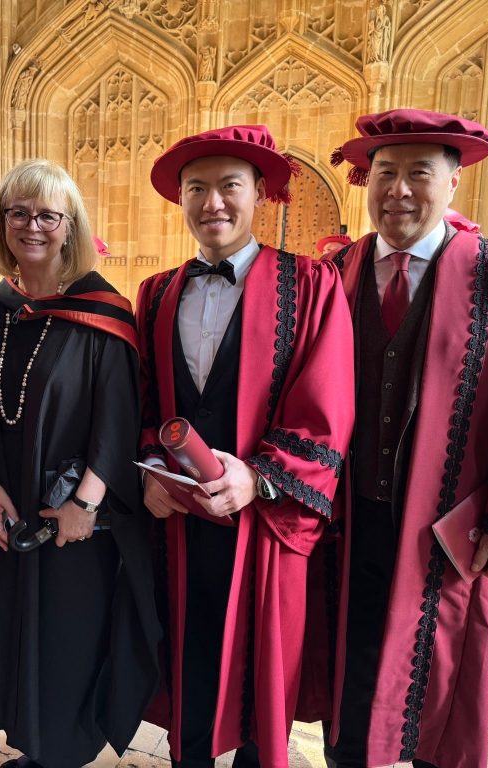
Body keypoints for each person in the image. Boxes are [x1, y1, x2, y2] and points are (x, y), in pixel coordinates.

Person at [327, 108, 488, 768]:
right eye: (384, 173)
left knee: (442, 667)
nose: (398, 190)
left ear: (454, 181)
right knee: (351, 663)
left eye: (419, 174)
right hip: (348, 516)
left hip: (448, 518)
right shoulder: (337, 270)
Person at [138, 125, 355, 768]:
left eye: (229, 185)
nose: (213, 203)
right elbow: (142, 401)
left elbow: (326, 404)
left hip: (264, 519)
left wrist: (259, 478)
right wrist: (150, 472)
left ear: (260, 192)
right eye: (197, 188)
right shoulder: (156, 292)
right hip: (180, 522)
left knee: (261, 674)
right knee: (189, 663)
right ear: (180, 198)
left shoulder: (309, 284)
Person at [0, 160, 159, 768]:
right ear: (1, 223)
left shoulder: (103, 311)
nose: (32, 226)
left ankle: (64, 756)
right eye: (18, 213)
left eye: (49, 215)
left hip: (72, 516)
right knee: (15, 628)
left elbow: (119, 419)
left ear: (71, 226)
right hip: (5, 504)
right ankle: (35, 750)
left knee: (66, 639)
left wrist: (85, 505)